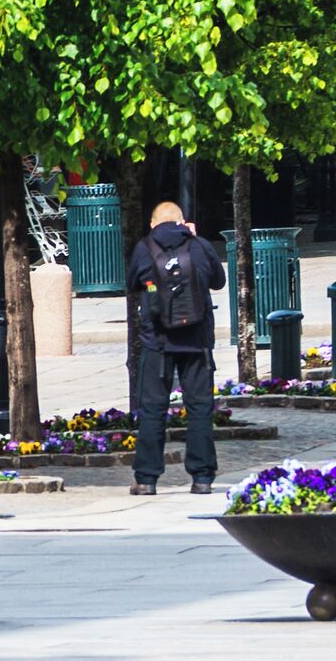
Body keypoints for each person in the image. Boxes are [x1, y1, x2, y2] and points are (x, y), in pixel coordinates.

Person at [125, 200, 226, 494]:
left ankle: (146, 479)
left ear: (153, 224)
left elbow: (132, 283)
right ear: (183, 222)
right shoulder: (199, 246)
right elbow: (218, 281)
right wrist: (194, 240)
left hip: (157, 342)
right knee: (199, 410)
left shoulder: (145, 247)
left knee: (153, 410)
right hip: (197, 343)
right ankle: (202, 477)